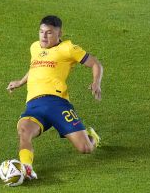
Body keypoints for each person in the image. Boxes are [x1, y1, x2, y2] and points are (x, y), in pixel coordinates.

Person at [6, 15, 103, 180]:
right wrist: (20, 82)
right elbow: (36, 68)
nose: (44, 36)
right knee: (24, 131)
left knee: (85, 148)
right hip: (34, 106)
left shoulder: (68, 48)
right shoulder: (35, 47)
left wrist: (96, 82)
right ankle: (27, 169)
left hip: (58, 104)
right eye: (41, 32)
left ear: (59, 33)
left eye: (49, 33)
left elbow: (95, 63)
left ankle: (91, 137)